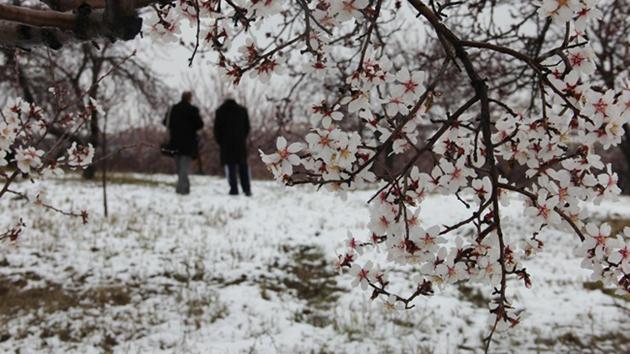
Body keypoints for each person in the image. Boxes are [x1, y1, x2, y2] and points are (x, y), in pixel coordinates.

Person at [164, 91, 203, 195]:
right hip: (188, 143)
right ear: (190, 98)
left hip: (175, 142)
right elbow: (200, 125)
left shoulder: (173, 109)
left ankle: (183, 189)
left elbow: (165, 122)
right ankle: (182, 190)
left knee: (179, 168)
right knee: (184, 169)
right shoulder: (193, 110)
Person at [214, 98, 251, 196]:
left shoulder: (220, 111)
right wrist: (242, 137)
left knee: (231, 167)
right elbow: (247, 128)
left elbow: (217, 130)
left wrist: (220, 141)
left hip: (226, 143)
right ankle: (246, 189)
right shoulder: (242, 111)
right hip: (239, 142)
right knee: (243, 166)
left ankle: (234, 189)